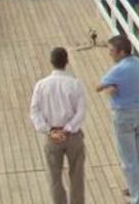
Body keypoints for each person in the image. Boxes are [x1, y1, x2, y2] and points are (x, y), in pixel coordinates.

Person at [30, 47, 87, 204]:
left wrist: (49, 131)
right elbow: (81, 112)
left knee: (54, 177)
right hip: (73, 136)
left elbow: (35, 112)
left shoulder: (41, 85)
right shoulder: (75, 84)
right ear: (66, 62)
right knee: (77, 176)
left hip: (52, 137)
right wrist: (68, 128)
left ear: (51, 62)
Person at [97, 35, 139, 204]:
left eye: (112, 51)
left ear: (122, 52)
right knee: (137, 154)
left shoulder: (118, 70)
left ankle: (138, 199)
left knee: (128, 160)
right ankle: (135, 187)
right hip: (138, 113)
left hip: (123, 115)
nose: (110, 54)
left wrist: (111, 87)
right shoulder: (138, 63)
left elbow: (98, 86)